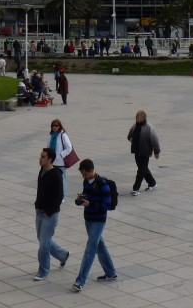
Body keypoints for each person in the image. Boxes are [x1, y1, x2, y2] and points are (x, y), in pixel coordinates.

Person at [72, 158, 117, 291]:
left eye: (85, 174)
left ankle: (80, 281)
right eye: (82, 174)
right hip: (88, 218)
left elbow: (107, 205)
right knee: (99, 245)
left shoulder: (102, 184)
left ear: (91, 171)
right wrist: (79, 200)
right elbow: (87, 196)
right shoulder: (86, 182)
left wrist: (91, 204)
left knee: (90, 250)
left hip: (98, 220)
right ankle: (111, 272)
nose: (84, 176)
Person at [33, 146, 70, 281]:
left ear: (50, 160)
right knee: (44, 240)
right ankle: (63, 255)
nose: (40, 158)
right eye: (41, 156)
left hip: (50, 214)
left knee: (43, 244)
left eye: (43, 157)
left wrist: (49, 211)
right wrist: (37, 205)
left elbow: (59, 196)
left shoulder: (55, 175)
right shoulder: (42, 170)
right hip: (39, 211)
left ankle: (43, 271)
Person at [127, 110, 160, 196]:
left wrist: (156, 151)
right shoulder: (135, 126)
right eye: (136, 116)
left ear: (143, 118)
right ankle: (152, 183)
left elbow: (155, 140)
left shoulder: (149, 127)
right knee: (143, 169)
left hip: (145, 151)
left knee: (141, 170)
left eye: (138, 117)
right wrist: (133, 141)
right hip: (137, 151)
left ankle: (136, 189)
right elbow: (129, 136)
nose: (136, 118)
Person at [48, 118, 75, 196]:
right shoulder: (51, 136)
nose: (54, 127)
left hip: (60, 162)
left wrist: (61, 154)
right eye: (52, 126)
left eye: (56, 125)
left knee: (62, 180)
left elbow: (69, 147)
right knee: (53, 179)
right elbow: (48, 147)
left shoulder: (63, 135)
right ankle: (54, 194)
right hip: (52, 162)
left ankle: (63, 196)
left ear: (60, 126)